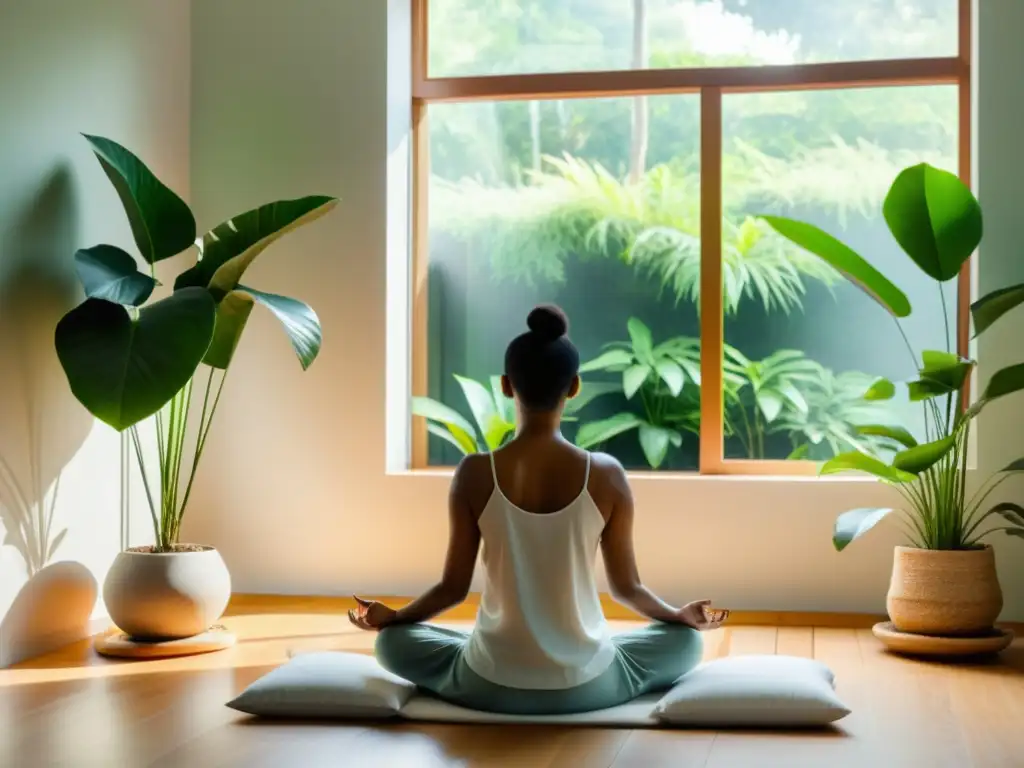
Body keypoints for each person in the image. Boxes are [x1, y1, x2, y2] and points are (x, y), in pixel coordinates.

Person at [348, 305, 726, 715]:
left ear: (507, 386)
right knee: (687, 641)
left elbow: (452, 589)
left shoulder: (475, 472)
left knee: (391, 642)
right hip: (588, 685)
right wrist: (677, 614)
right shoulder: (606, 474)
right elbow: (626, 588)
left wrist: (395, 617)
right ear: (575, 387)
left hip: (489, 683)